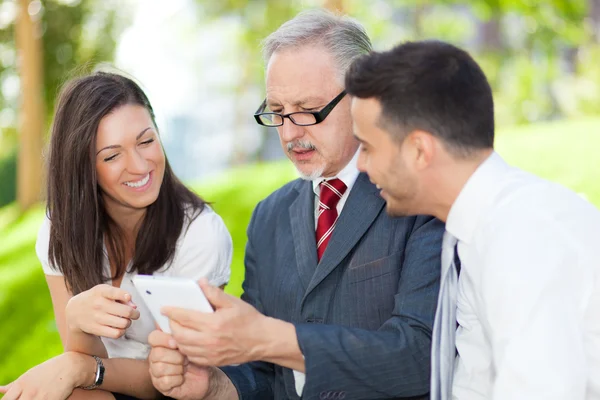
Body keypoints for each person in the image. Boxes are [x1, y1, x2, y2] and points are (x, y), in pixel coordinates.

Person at [146, 9, 445, 400]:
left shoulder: (421, 198)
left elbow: (421, 357)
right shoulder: (269, 217)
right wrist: (214, 385)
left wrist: (274, 339)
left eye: (307, 110)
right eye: (278, 112)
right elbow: (262, 371)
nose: (289, 133)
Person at [346, 39, 600, 400]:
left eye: (368, 147)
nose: (360, 164)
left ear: (420, 150)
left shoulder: (522, 234)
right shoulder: (480, 229)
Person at [0, 72, 232, 400]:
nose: (139, 166)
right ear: (84, 168)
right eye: (112, 156)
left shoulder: (199, 235)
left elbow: (179, 379)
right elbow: (78, 359)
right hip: (104, 380)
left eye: (146, 141)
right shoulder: (61, 231)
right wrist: (77, 323)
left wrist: (78, 369)